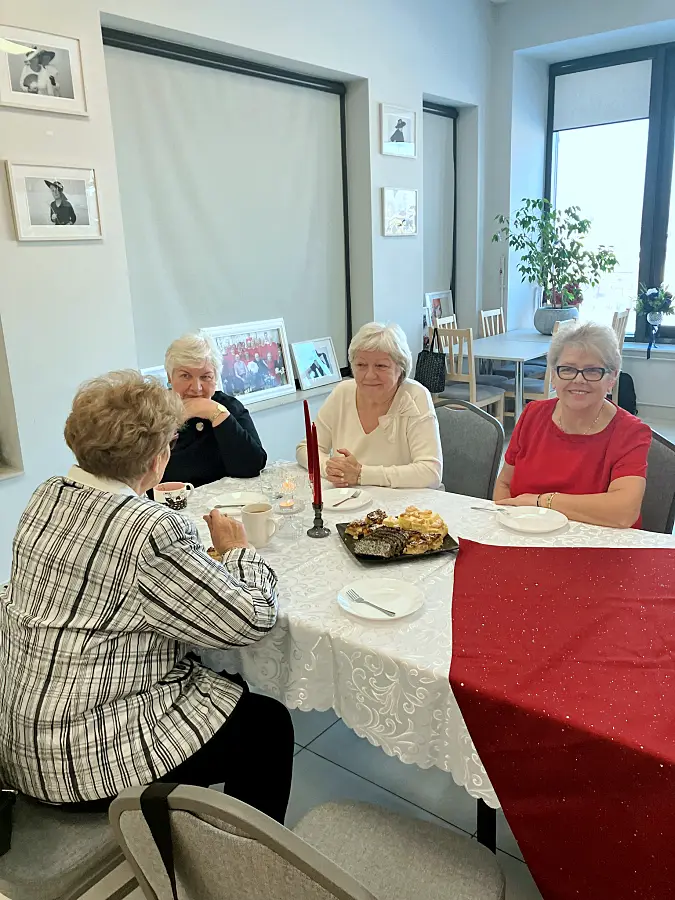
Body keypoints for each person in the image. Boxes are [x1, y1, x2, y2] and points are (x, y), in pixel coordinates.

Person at [0, 371, 293, 821]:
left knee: (221, 686)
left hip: (22, 736)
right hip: (79, 760)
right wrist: (239, 551)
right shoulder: (149, 530)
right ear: (158, 458)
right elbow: (250, 621)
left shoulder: (47, 495)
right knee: (267, 726)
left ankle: (194, 824)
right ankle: (241, 855)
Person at [494, 322, 652, 528]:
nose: (579, 380)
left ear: (612, 378)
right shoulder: (532, 414)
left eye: (592, 371)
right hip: (525, 535)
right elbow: (504, 484)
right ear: (553, 375)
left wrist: (541, 502)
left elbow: (624, 512)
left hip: (596, 544)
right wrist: (510, 524)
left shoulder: (631, 433)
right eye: (567, 369)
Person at [296, 322, 442, 489]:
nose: (370, 375)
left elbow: (431, 473)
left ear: (401, 368)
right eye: (361, 365)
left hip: (404, 502)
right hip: (349, 499)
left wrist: (361, 475)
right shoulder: (342, 392)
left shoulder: (415, 396)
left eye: (381, 366)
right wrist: (330, 468)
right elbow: (305, 448)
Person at [163, 334, 266, 486]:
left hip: (229, 498)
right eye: (185, 376)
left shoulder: (228, 406)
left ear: (216, 377)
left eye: (206, 377)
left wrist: (215, 413)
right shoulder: (153, 411)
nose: (196, 388)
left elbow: (253, 466)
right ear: (169, 377)